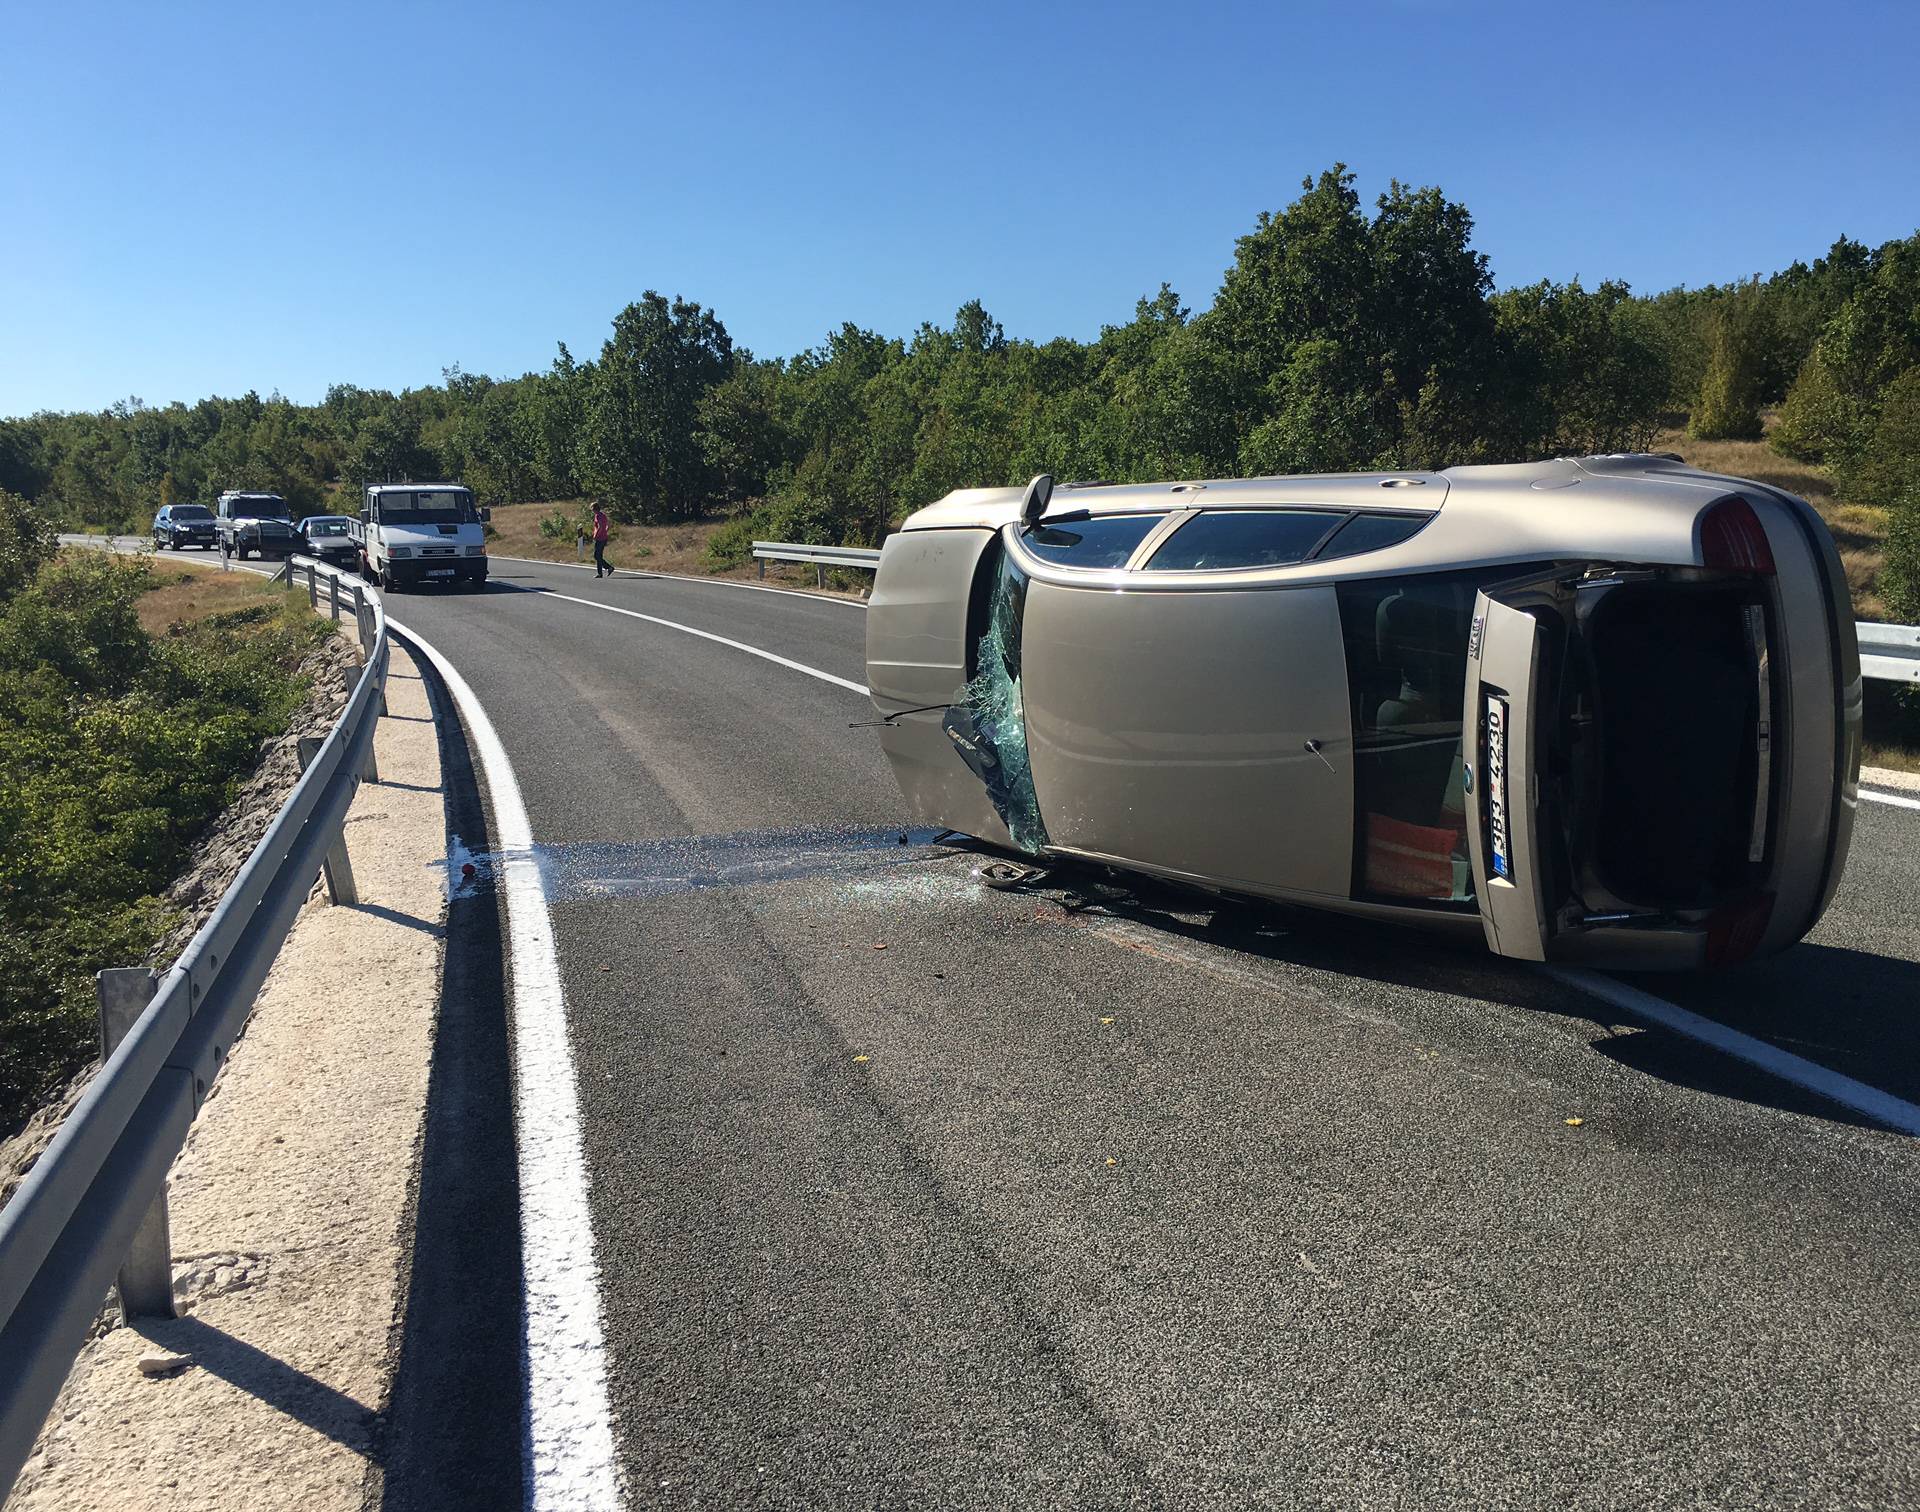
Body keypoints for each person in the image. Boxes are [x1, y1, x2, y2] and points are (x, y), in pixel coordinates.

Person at [591, 505, 611, 578]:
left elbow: (600, 526)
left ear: (594, 509)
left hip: (600, 538)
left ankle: (606, 569)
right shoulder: (603, 515)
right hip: (604, 537)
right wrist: (605, 531)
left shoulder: (598, 515)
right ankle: (603, 570)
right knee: (599, 555)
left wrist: (596, 535)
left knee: (597, 555)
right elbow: (608, 525)